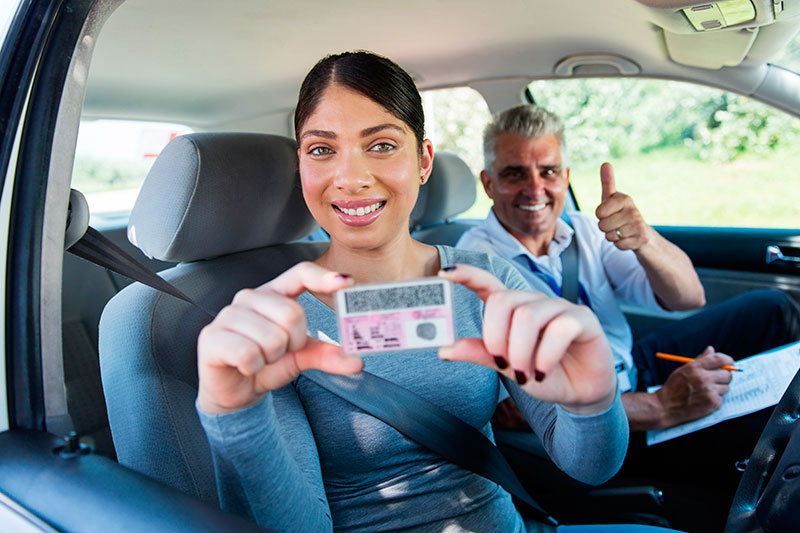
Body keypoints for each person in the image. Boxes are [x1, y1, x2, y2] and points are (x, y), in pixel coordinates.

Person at [194, 51, 683, 533]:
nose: (351, 177)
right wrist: (235, 415)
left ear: (423, 161)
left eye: (382, 144)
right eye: (322, 149)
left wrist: (592, 404)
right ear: (301, 166)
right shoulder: (272, 325)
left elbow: (590, 467)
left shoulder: (484, 279)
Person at [456, 103, 800, 529]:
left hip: (631, 364)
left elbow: (687, 297)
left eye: (547, 171)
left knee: (773, 310)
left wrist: (644, 239)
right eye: (513, 174)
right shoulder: (474, 267)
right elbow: (512, 411)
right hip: (592, 419)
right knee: (764, 427)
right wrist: (660, 406)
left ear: (565, 177)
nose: (535, 188)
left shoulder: (582, 230)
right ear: (488, 183)